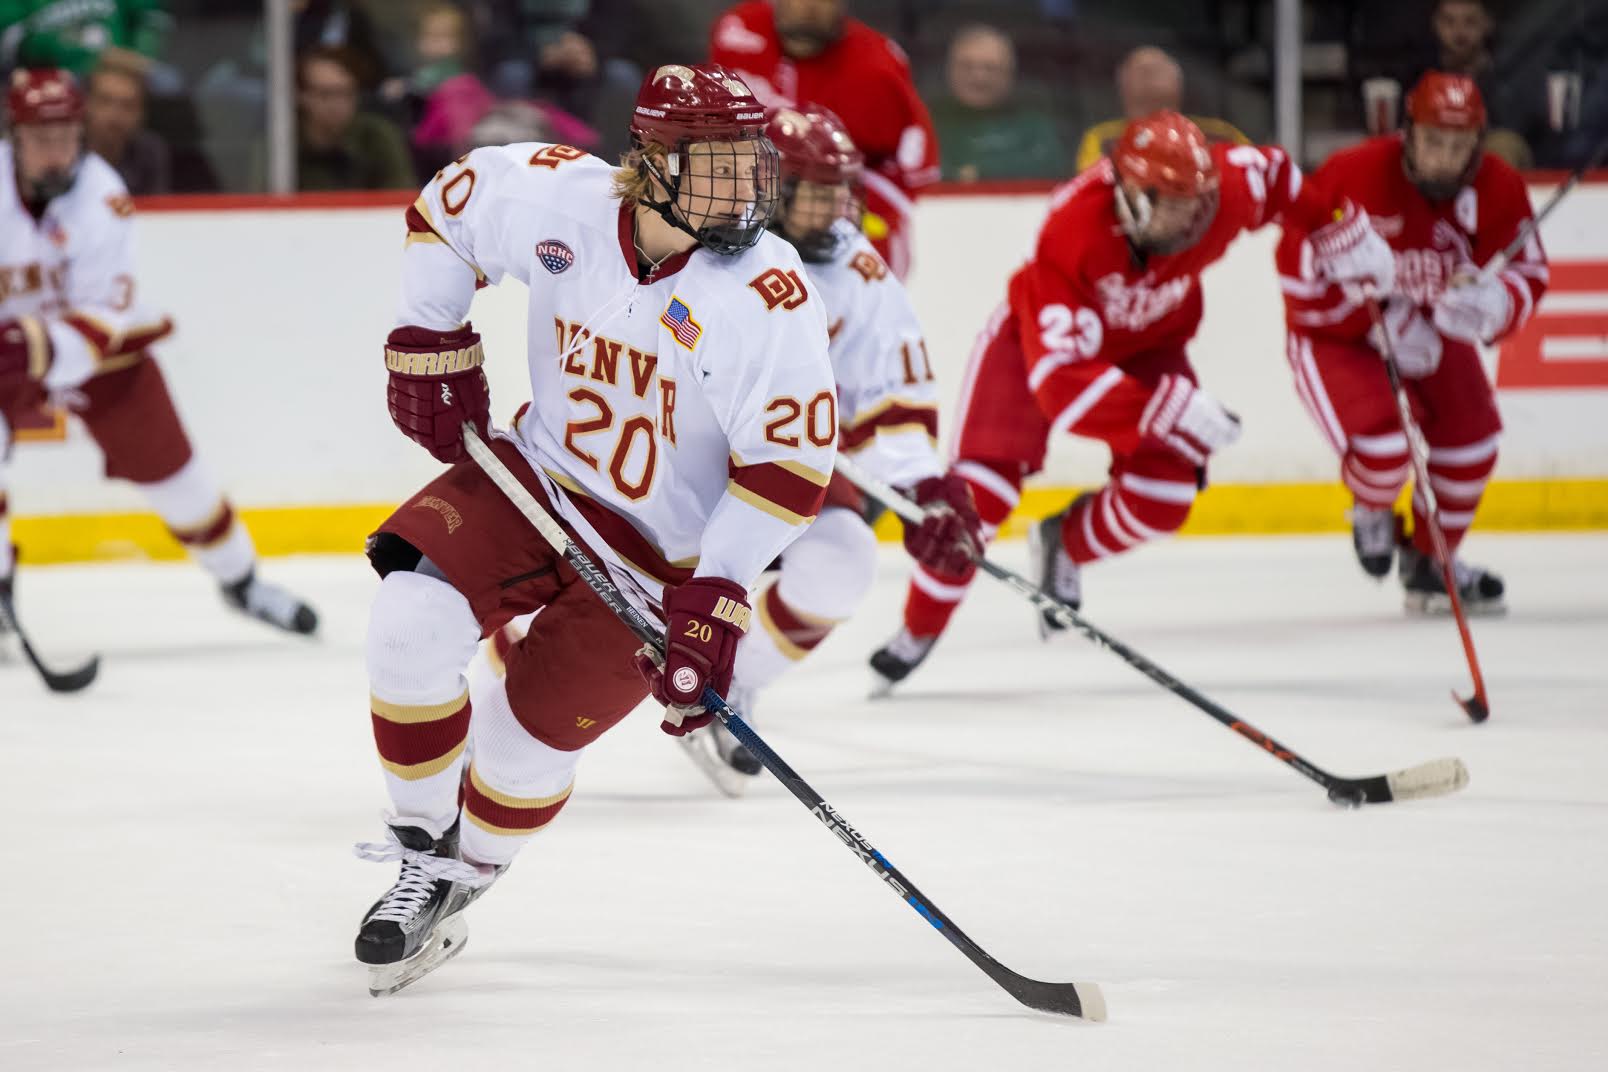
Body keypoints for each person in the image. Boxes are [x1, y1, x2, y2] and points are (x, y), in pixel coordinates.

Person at [350, 63, 838, 993]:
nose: (747, 190)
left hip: (660, 558)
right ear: (651, 162)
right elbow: (444, 211)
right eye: (718, 167)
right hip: (534, 477)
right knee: (406, 625)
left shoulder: (765, 292)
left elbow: (789, 468)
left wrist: (722, 588)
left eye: (752, 164)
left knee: (520, 745)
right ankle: (420, 852)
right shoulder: (556, 198)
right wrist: (426, 334)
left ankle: (464, 879)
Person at [868, 111, 1395, 690]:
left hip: (1150, 346)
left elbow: (1278, 176)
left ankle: (1062, 544)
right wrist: (1162, 408)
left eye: (1199, 199)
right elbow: (1061, 388)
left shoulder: (1223, 191)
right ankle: (919, 627)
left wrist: (1332, 228)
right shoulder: (1070, 234)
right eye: (1175, 204)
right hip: (1031, 352)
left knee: (1165, 494)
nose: (1195, 216)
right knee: (980, 499)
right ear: (1133, 197)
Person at [672, 106, 978, 788]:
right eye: (813, 191)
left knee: (843, 561)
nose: (830, 209)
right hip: (677, 445)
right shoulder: (704, 237)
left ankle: (730, 689)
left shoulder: (859, 270)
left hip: (784, 450)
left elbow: (890, 393)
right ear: (770, 186)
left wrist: (921, 487)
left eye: (837, 191)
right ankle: (511, 679)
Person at [0, 68, 318, 649]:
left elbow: (100, 319)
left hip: (103, 360)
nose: (56, 152)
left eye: (66, 136)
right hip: (5, 352)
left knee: (178, 479)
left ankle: (242, 582)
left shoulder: (103, 197)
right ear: (14, 137)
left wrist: (34, 347)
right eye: (41, 139)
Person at [1277, 73, 1546, 615]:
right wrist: (1362, 309)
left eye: (1459, 145)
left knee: (1471, 446)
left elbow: (1528, 269)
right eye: (1434, 142)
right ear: (1408, 133)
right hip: (1341, 338)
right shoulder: (1352, 174)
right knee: (1383, 454)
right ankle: (1372, 507)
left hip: (1432, 331)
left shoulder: (1498, 186)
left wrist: (1496, 304)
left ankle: (1429, 564)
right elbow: (1295, 271)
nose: (1446, 158)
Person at [709, 0, 939, 279]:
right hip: (749, 191)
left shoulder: (876, 67)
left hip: (840, 205)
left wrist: (839, 213)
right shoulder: (739, 29)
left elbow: (904, 172)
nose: (809, 6)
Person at [1073, 46, 1247, 174]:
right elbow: (1096, 188)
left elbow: (1254, 178)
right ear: (1123, 89)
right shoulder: (1104, 140)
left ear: (1179, 84)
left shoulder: (1221, 136)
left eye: (1159, 69)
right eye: (1141, 72)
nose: (1150, 77)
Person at [930, 23, 1066, 183]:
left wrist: (978, 173)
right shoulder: (927, 122)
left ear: (1009, 75)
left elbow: (1052, 168)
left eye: (991, 68)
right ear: (950, 70)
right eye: (967, 66)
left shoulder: (1034, 126)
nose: (979, 78)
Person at [294, 46, 414, 192]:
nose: (338, 104)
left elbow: (399, 198)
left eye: (347, 93)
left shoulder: (377, 138)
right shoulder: (283, 146)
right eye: (326, 94)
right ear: (301, 96)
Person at [83, 59, 171, 195]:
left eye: (128, 105)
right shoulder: (67, 149)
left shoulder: (150, 152)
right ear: (86, 103)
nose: (115, 115)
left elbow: (155, 212)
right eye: (105, 101)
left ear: (141, 113)